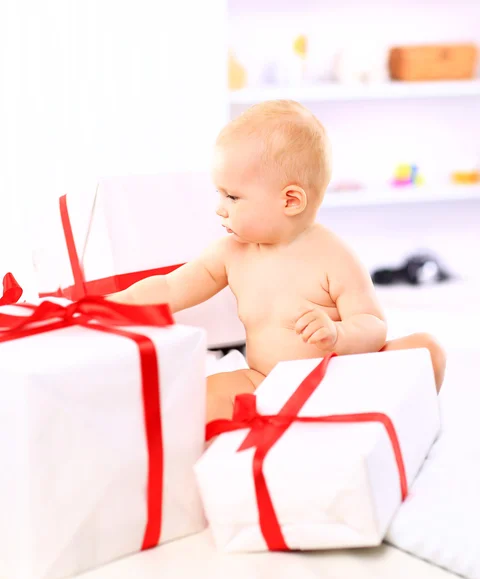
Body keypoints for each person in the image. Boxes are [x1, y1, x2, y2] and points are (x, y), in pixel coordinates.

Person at [110, 100, 446, 422]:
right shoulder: (231, 252)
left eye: (232, 196)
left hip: (338, 379)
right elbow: (172, 287)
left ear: (290, 200)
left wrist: (337, 334)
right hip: (265, 380)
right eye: (219, 193)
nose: (219, 208)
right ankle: (269, 428)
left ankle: (388, 420)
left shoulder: (333, 256)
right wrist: (114, 305)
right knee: (201, 397)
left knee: (425, 349)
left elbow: (373, 326)